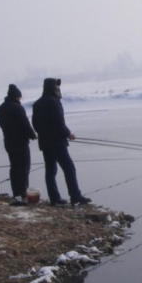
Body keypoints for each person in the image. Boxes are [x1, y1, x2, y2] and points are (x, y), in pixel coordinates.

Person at [32, 78, 91, 206]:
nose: (59, 89)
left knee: (50, 171)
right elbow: (59, 123)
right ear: (54, 88)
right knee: (69, 168)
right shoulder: (54, 102)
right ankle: (75, 196)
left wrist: (45, 134)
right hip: (57, 142)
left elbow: (35, 125)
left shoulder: (37, 103)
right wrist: (68, 134)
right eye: (57, 87)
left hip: (44, 142)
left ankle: (54, 198)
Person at [0, 84, 37, 206]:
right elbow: (25, 124)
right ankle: (22, 193)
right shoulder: (17, 108)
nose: (20, 99)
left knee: (14, 168)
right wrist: (33, 135)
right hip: (20, 142)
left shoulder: (1, 108)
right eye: (19, 97)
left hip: (8, 142)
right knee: (24, 168)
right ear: (16, 97)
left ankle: (17, 194)